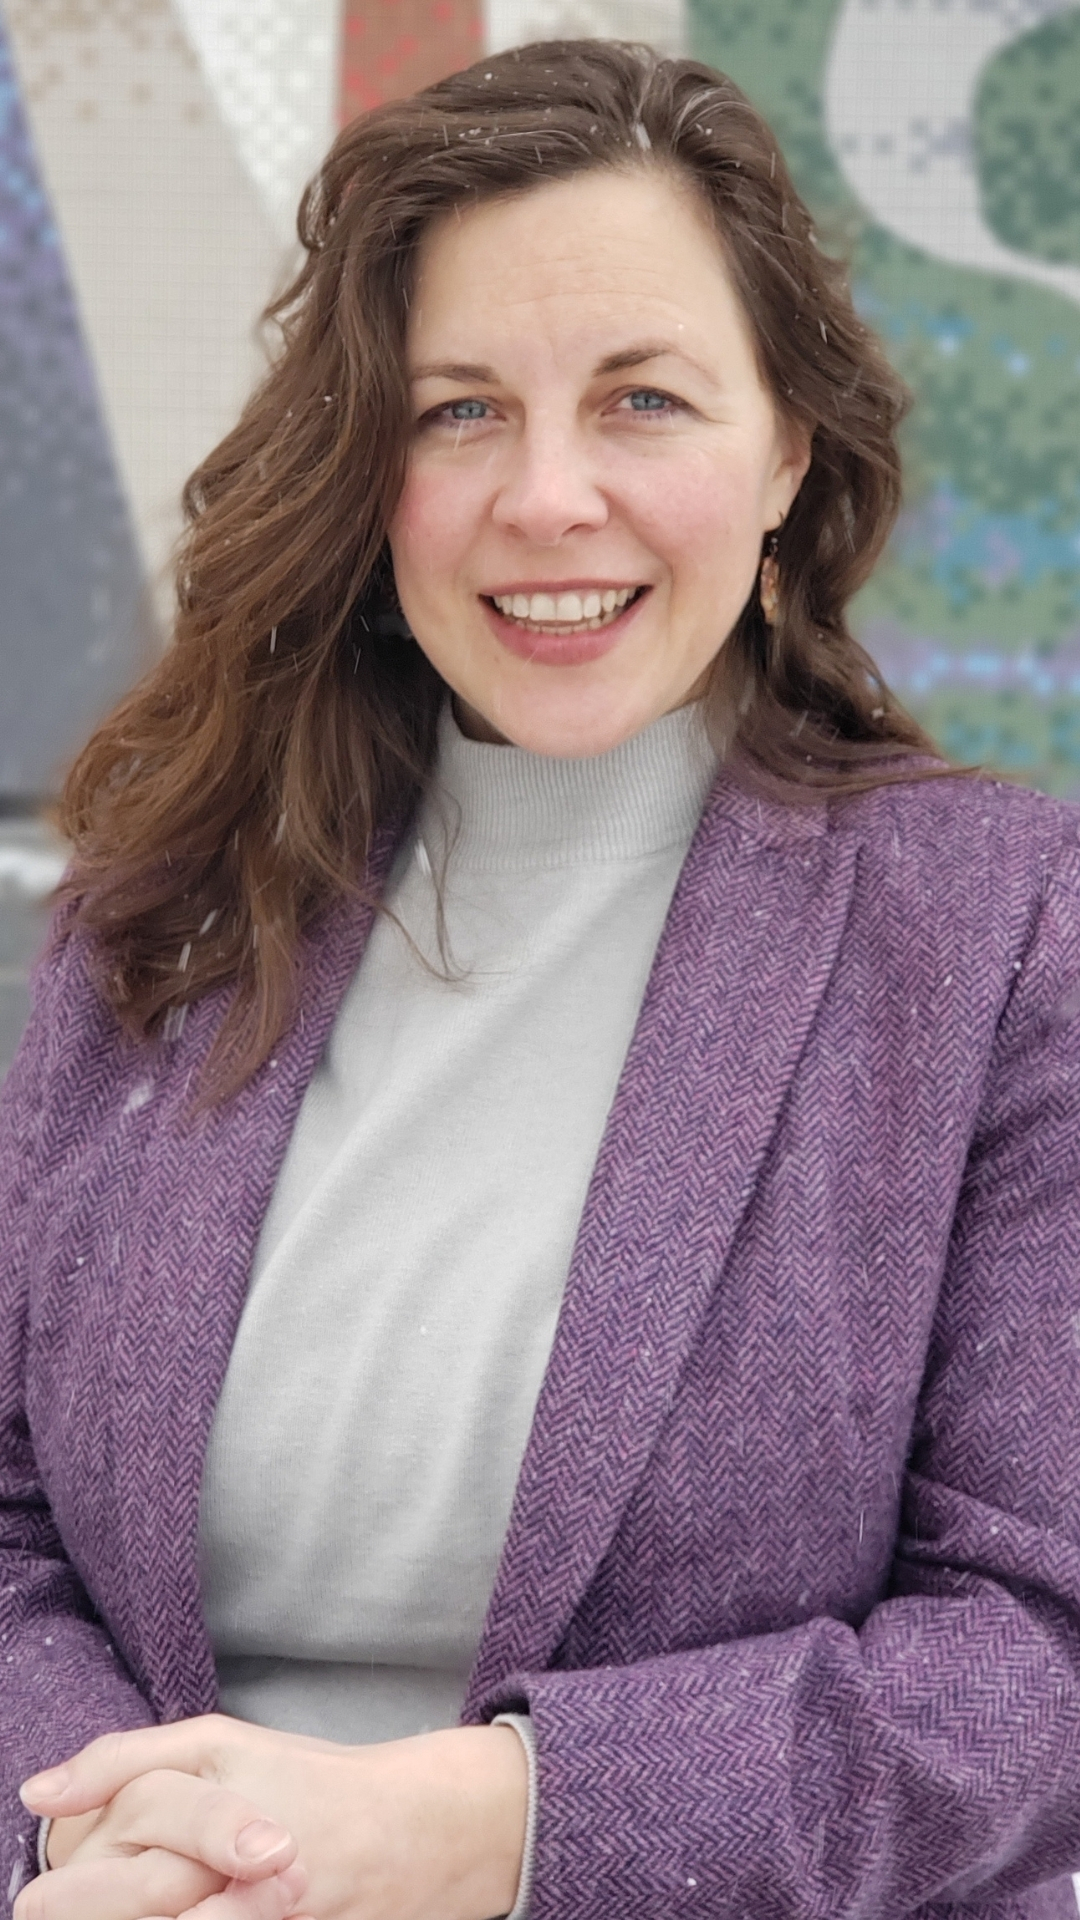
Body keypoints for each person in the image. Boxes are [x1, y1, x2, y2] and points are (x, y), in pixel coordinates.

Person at [3, 34, 1080, 1920]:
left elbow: (1037, 1660)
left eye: (646, 401)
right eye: (460, 411)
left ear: (786, 455)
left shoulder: (999, 930)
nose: (549, 497)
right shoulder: (162, 911)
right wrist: (113, 1844)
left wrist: (477, 1828)